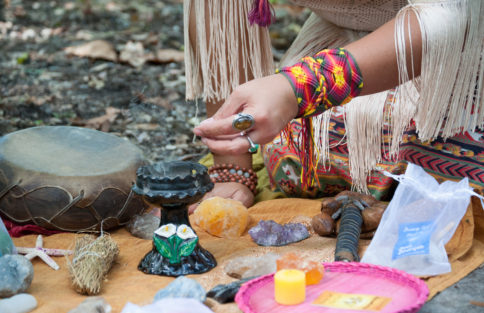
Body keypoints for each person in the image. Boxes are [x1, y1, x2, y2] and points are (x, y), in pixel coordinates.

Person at [185, 0, 484, 210]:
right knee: (296, 150)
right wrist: (232, 166)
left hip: (456, 45)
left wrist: (300, 87)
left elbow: (453, 13)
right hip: (342, 45)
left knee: (445, 165)